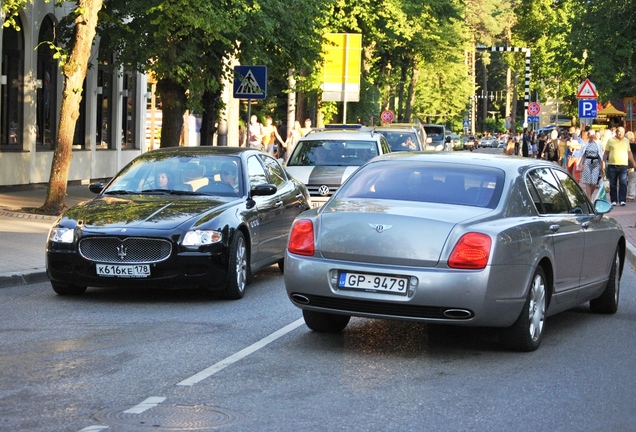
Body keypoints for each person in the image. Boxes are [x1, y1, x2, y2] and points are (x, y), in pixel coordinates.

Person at [603, 126, 635, 206]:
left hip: (623, 165)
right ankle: (614, 200)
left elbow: (629, 153)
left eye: (622, 132)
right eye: (619, 132)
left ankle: (622, 200)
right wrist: (603, 162)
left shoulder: (626, 141)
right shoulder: (611, 140)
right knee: (613, 184)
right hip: (612, 165)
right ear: (616, 132)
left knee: (623, 183)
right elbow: (606, 152)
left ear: (624, 133)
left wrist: (634, 163)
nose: (620, 133)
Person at [576, 130, 604, 200]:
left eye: (593, 135)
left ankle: (588, 197)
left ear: (595, 136)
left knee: (594, 182)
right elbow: (582, 155)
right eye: (590, 135)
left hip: (596, 162)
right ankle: (589, 198)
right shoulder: (585, 144)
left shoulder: (598, 144)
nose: (592, 137)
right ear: (588, 136)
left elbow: (600, 155)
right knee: (588, 181)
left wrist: (602, 164)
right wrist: (581, 163)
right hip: (587, 162)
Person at [626, 131, 636, 201]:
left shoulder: (624, 146)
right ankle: (631, 195)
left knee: (625, 181)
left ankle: (627, 194)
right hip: (633, 165)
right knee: (632, 180)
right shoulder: (634, 146)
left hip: (624, 164)